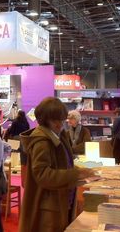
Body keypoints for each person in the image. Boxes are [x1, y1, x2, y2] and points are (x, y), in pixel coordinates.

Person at [19, 97, 95, 232]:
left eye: (61, 119)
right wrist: (75, 174)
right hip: (49, 207)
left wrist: (80, 172)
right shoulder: (42, 141)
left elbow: (63, 165)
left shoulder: (57, 136)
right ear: (44, 119)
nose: (60, 124)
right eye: (55, 121)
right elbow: (42, 175)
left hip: (61, 202)